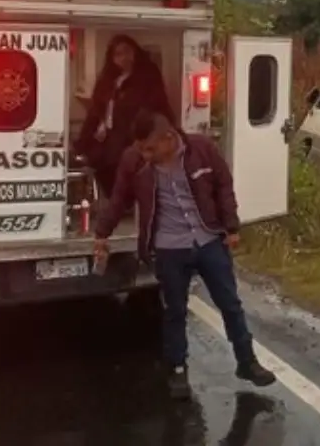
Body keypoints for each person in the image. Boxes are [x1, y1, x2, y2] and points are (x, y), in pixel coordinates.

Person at [93, 112, 276, 401]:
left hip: (208, 241)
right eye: (141, 147)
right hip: (168, 248)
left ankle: (247, 362)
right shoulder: (134, 160)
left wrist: (231, 226)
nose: (145, 154)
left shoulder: (201, 149)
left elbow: (223, 185)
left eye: (150, 148)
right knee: (174, 311)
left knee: (230, 304)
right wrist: (101, 233)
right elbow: (118, 199)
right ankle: (177, 369)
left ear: (168, 138)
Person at [76, 34, 175, 198]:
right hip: (108, 136)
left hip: (134, 135)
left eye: (127, 52)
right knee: (100, 163)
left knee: (123, 164)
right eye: (118, 54)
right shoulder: (108, 80)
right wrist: (86, 138)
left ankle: (125, 201)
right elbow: (96, 110)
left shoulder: (147, 76)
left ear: (135, 52)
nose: (124, 58)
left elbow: (155, 105)